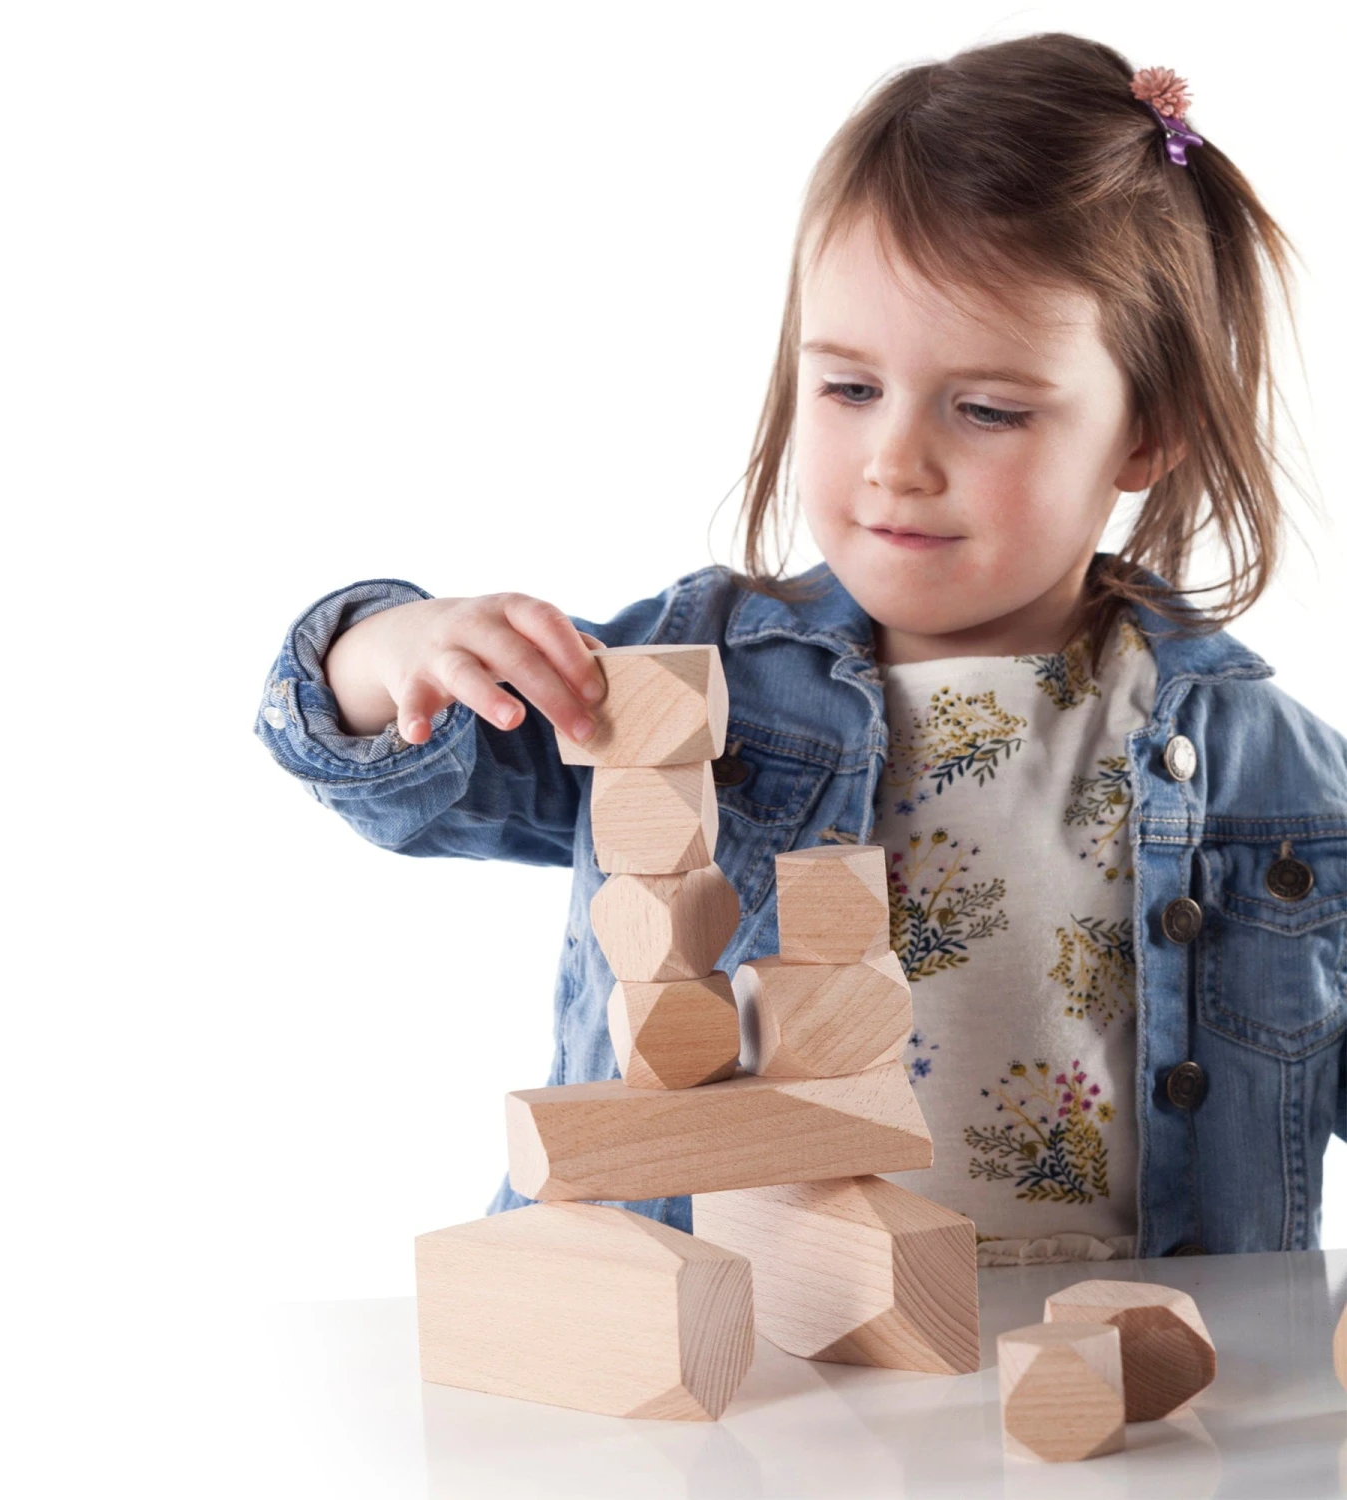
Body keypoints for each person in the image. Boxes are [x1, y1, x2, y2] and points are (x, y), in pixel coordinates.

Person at [254, 33, 1347, 1261]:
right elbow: (421, 780)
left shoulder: (1266, 774)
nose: (896, 460)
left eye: (987, 409)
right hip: (745, 1369)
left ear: (1146, 435)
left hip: (1100, 1373)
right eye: (847, 389)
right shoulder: (700, 679)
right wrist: (388, 646)